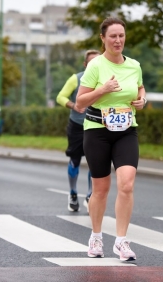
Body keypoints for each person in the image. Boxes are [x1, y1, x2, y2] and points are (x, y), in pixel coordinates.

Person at [76, 18, 147, 261]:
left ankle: (121, 242)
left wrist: (142, 99)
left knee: (126, 184)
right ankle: (96, 236)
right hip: (97, 130)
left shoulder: (134, 65)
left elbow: (139, 88)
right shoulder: (96, 66)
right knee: (101, 189)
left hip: (127, 130)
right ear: (103, 39)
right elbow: (80, 102)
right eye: (113, 36)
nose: (118, 40)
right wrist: (102, 90)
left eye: (121, 36)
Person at [56, 49, 100, 212]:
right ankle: (73, 193)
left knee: (94, 162)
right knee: (75, 159)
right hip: (77, 125)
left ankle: (90, 195)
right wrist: (73, 105)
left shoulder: (105, 79)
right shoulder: (77, 78)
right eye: (91, 62)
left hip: (96, 125)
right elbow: (60, 97)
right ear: (85, 64)